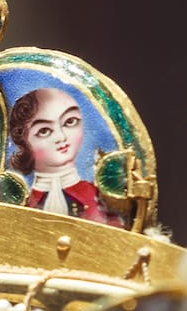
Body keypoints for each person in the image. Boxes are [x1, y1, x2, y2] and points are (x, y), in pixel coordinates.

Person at [8, 87, 123, 227]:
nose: (61, 137)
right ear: (23, 140)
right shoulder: (18, 201)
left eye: (70, 122)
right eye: (44, 131)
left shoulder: (97, 196)